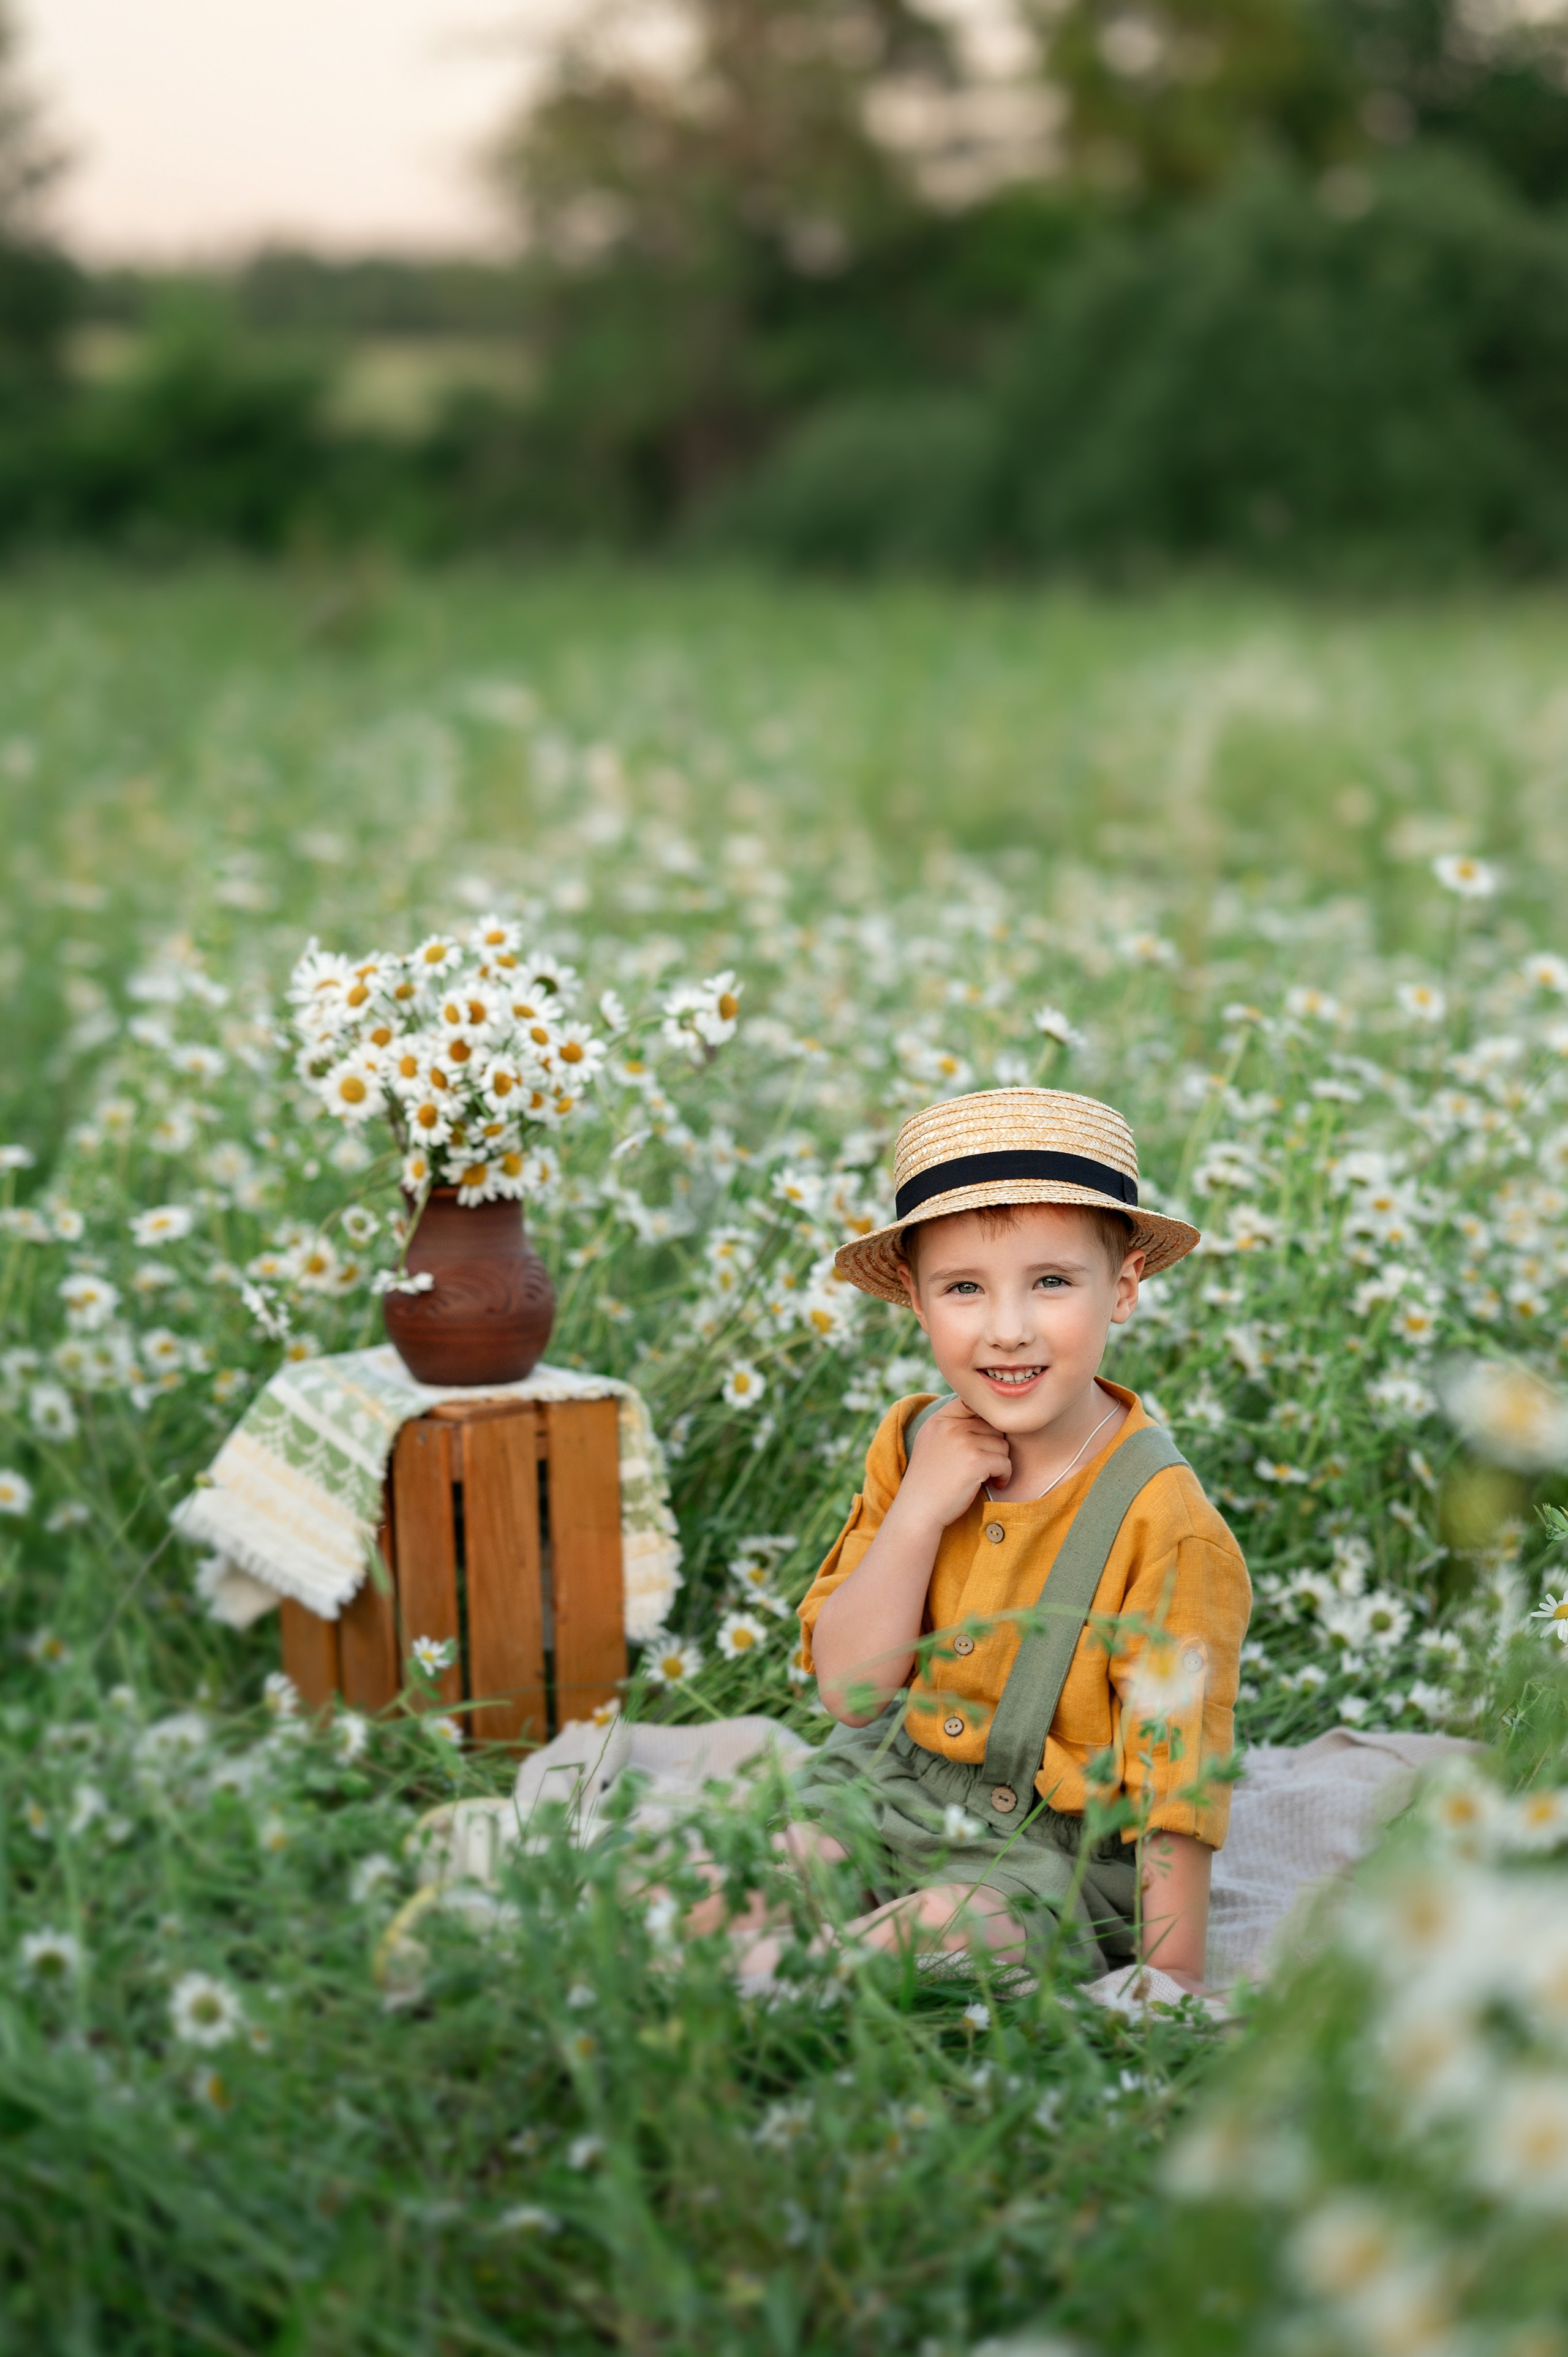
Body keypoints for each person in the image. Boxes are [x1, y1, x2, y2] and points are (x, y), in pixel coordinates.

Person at [741, 1085, 1250, 1994]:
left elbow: (1178, 1776)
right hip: (895, 1777)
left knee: (933, 1940)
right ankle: (688, 1999)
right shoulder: (912, 1444)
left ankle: (790, 2014)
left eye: (1051, 1282)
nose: (1007, 1329)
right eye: (965, 1288)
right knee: (737, 1889)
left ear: (1124, 1287)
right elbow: (853, 1692)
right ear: (914, 1296)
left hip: (1054, 1847)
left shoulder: (1163, 1522)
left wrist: (1170, 1982)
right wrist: (918, 1515)